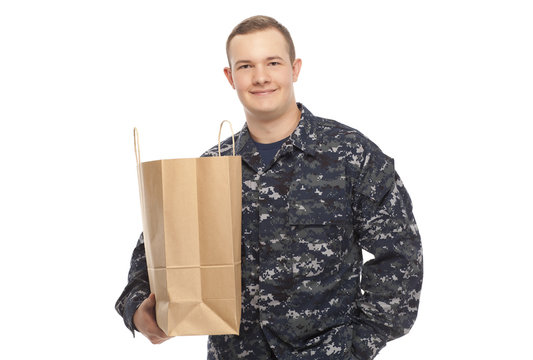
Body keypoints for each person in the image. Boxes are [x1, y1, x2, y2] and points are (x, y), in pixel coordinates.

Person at [116, 15, 423, 360]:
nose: (260, 77)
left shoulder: (350, 155)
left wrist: (355, 347)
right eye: (246, 66)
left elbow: (401, 256)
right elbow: (154, 256)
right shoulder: (210, 168)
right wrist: (137, 309)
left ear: (295, 69)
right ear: (230, 77)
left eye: (273, 63)